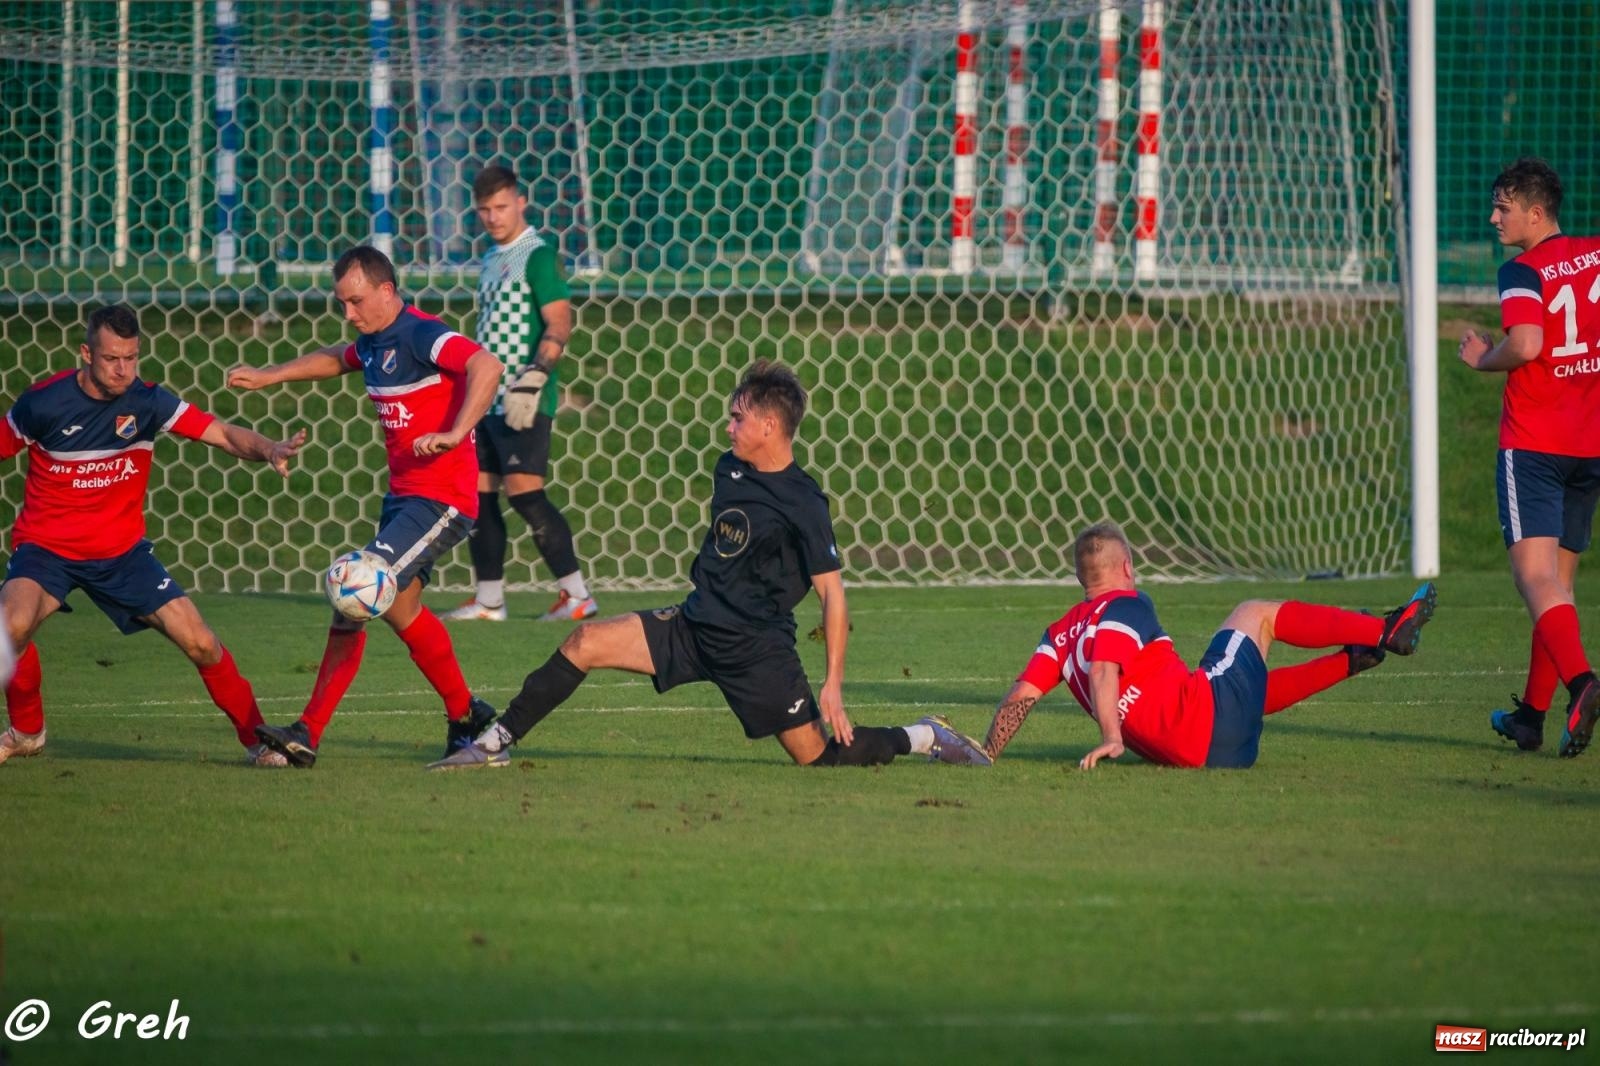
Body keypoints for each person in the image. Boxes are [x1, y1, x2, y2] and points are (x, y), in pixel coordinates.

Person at [429, 360, 989, 770]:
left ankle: (923, 737)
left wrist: (833, 683)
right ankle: (491, 743)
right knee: (584, 642)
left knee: (818, 759)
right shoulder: (730, 468)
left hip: (756, 650)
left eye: (738, 417)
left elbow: (833, 597)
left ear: (769, 426)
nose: (728, 426)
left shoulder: (803, 502)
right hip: (693, 628)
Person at [228, 246, 503, 768]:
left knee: (352, 588)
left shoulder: (423, 333)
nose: (349, 314)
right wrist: (269, 376)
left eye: (355, 302)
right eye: (342, 304)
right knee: (401, 610)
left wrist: (456, 432)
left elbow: (486, 364)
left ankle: (307, 731)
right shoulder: (374, 342)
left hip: (442, 498)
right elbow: (337, 358)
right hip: (404, 498)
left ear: (386, 290)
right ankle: (467, 715)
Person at [0, 304, 305, 767]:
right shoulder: (42, 403)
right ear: (86, 353)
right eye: (111, 359)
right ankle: (26, 732)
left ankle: (258, 741)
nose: (123, 369)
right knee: (11, 627)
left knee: (200, 641)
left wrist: (268, 448)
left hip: (123, 555)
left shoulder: (148, 402)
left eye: (131, 357)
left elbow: (220, 433)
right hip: (47, 549)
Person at [968, 522, 1435, 771]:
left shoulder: (1058, 635)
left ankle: (1350, 661)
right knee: (1255, 612)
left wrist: (989, 750)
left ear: (1079, 578)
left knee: (1229, 679)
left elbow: (1020, 699)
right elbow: (1104, 669)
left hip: (1210, 754)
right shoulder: (1129, 606)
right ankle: (1383, 630)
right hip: (1211, 727)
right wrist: (1112, 737)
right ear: (1127, 567)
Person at [1459, 157, 1600, 759]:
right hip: (1590, 444)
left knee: (1534, 579)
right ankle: (1532, 719)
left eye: (1504, 207)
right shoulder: (1594, 253)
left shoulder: (1521, 269)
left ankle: (1584, 684)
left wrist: (1481, 359)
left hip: (1536, 445)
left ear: (1535, 213)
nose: (1494, 218)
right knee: (1558, 588)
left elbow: (1527, 344)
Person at [442, 164, 596, 624]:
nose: (493, 217)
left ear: (521, 202)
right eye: (485, 210)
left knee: (526, 493)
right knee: (479, 495)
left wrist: (535, 377)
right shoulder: (490, 259)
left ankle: (577, 596)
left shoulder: (538, 255)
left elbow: (559, 322)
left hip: (524, 396)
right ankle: (489, 600)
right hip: (485, 398)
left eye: (501, 207)